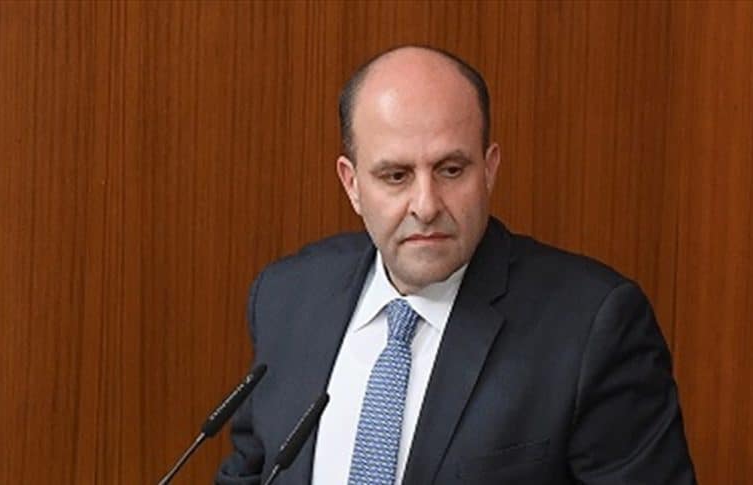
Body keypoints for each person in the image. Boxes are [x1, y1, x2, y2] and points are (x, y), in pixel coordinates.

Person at [216, 45, 695, 485]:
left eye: (450, 170)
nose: (426, 205)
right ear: (352, 184)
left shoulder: (591, 326)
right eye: (396, 176)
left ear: (489, 169)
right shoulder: (286, 299)